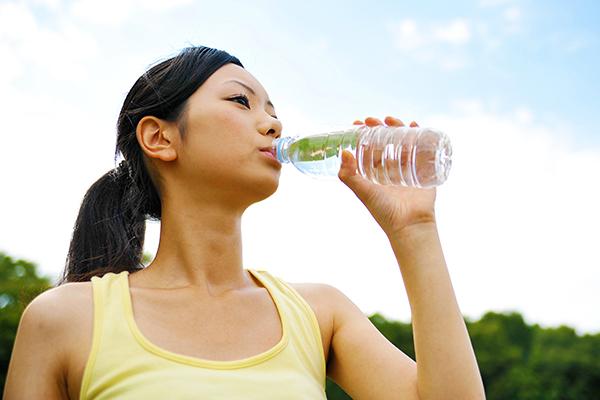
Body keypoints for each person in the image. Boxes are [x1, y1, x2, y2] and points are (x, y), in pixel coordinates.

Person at [4, 45, 485, 399]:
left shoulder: (319, 314)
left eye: (274, 112)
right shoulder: (65, 319)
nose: (274, 125)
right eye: (241, 102)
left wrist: (415, 231)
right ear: (160, 138)